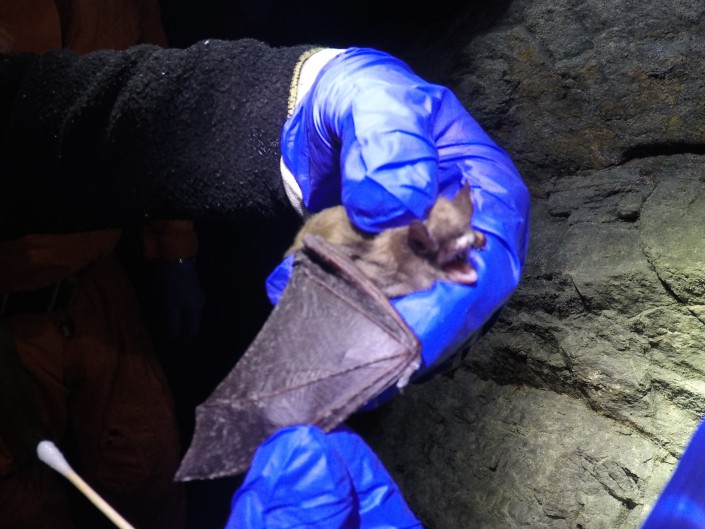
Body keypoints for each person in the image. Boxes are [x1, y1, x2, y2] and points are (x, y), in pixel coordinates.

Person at [0, 38, 530, 526]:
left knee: (142, 465)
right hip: (23, 324)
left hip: (103, 283)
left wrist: (296, 93)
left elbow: (39, 113)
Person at [0, 3, 203, 528]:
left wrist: (174, 246)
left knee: (149, 468)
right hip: (8, 315)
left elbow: (157, 104)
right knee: (20, 504)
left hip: (96, 285)